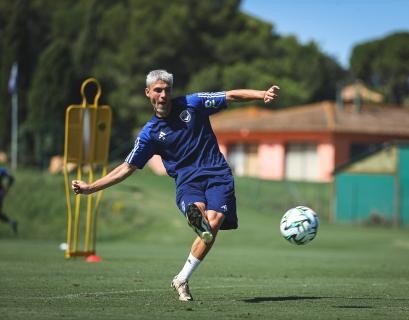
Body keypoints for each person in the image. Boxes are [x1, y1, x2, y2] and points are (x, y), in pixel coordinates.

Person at [72, 69, 280, 301]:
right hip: (187, 182)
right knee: (202, 218)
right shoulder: (149, 134)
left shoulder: (192, 104)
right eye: (158, 90)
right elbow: (126, 167)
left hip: (218, 174)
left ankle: (182, 278)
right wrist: (91, 187)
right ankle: (194, 219)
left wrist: (261, 94)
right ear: (148, 92)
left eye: (167, 90)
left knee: (213, 224)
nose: (163, 95)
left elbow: (229, 96)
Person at [0, 167, 17, 234]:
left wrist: (7, 188)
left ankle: (11, 222)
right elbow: (11, 178)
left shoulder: (1, 170)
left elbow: (11, 178)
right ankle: (11, 222)